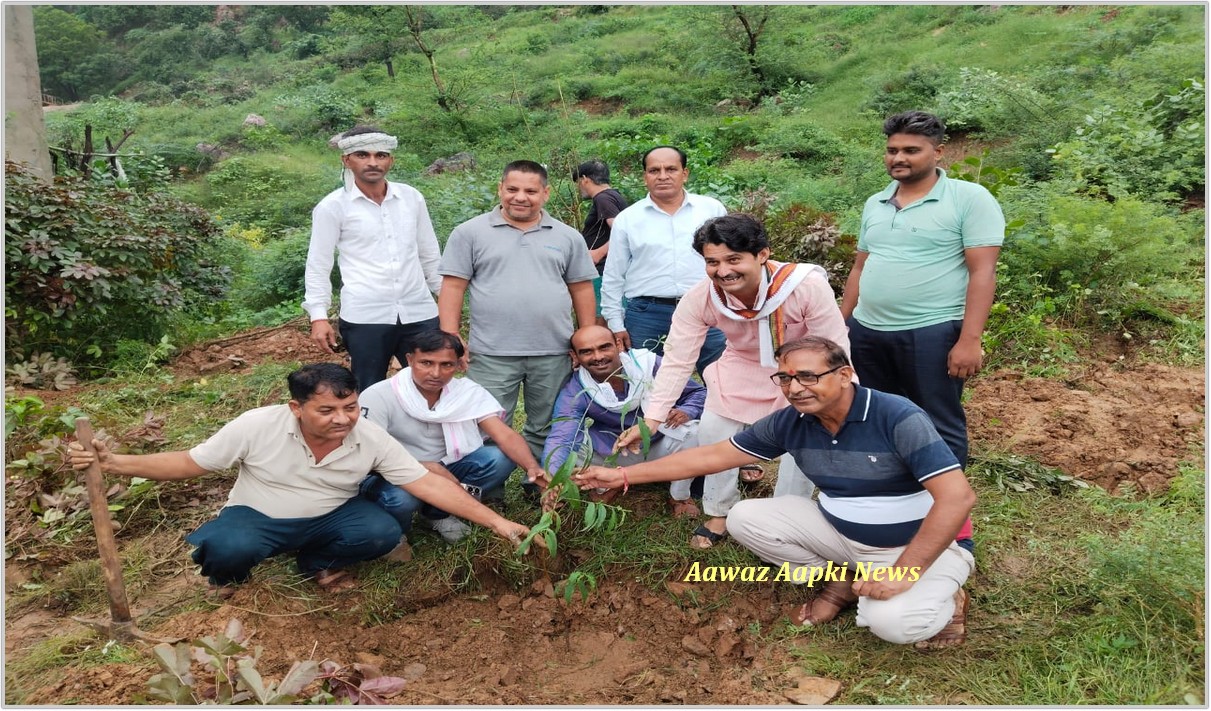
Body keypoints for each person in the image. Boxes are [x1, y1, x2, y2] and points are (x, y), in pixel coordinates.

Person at [575, 337, 975, 649]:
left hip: (920, 546)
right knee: (745, 518)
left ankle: (949, 597)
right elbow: (713, 456)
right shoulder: (793, 420)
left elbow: (957, 498)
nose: (795, 388)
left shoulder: (896, 416)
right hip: (840, 533)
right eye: (785, 378)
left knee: (892, 623)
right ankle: (843, 578)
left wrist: (904, 574)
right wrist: (622, 478)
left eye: (807, 376)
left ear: (844, 374)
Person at [66, 364, 530, 597]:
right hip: (260, 513)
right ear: (297, 408)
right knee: (227, 548)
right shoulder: (256, 425)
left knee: (383, 530)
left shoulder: (368, 435)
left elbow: (428, 485)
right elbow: (189, 463)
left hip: (331, 515)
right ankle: (229, 581)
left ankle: (315, 561)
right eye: (326, 411)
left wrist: (498, 524)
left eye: (349, 408)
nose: (342, 420)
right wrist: (116, 463)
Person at [613, 214, 850, 549]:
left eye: (733, 259)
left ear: (762, 254)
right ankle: (719, 512)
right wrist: (651, 421)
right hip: (741, 366)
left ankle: (786, 516)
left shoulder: (804, 286)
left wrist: (834, 398)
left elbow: (833, 346)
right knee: (713, 432)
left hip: (804, 374)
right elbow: (679, 359)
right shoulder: (703, 296)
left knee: (805, 441)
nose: (723, 271)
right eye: (712, 262)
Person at [841, 110, 1005, 469]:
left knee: (937, 419)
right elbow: (860, 266)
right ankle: (893, 490)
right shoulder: (876, 202)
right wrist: (841, 325)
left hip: (931, 330)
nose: (898, 158)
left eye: (911, 150)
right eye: (892, 149)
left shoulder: (968, 198)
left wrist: (970, 340)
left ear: (939, 152)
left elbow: (983, 272)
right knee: (875, 412)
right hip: (867, 331)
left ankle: (947, 507)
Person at [437, 160, 598, 470]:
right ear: (500, 189)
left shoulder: (566, 237)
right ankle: (486, 485)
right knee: (488, 422)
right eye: (512, 189)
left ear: (545, 193)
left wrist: (586, 338)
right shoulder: (469, 232)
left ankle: (541, 482)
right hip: (491, 351)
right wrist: (450, 336)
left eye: (530, 191)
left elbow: (581, 289)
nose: (520, 197)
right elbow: (454, 286)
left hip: (553, 350)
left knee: (548, 422)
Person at [358, 330, 548, 548]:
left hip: (448, 469)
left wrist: (532, 468)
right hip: (392, 474)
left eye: (446, 365)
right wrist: (423, 467)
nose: (436, 373)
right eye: (426, 363)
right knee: (402, 499)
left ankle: (437, 515)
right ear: (409, 360)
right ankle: (397, 533)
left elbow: (503, 434)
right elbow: (367, 458)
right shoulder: (379, 395)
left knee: (500, 459)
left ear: (458, 365)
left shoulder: (465, 392)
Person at [302, 125, 443, 391]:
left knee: (430, 385)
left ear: (391, 160)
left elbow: (430, 255)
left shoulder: (411, 198)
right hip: (365, 316)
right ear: (346, 160)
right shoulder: (333, 207)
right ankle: (370, 434)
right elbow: (319, 264)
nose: (372, 162)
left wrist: (446, 304)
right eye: (362, 155)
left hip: (419, 311)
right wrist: (318, 316)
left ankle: (428, 433)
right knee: (369, 389)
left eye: (381, 155)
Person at [543, 325, 706, 515]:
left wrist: (687, 410)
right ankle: (610, 483)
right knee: (574, 451)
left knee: (694, 432)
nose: (597, 357)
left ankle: (679, 496)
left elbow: (698, 392)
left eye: (604, 347)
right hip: (613, 452)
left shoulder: (648, 365)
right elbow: (562, 437)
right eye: (586, 352)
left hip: (660, 443)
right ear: (575, 356)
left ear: (618, 344)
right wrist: (553, 479)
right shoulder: (577, 389)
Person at [600, 145, 728, 376]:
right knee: (649, 385)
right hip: (647, 313)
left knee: (721, 380)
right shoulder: (628, 219)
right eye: (654, 170)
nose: (662, 176)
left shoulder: (711, 209)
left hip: (708, 308)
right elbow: (613, 275)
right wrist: (615, 323)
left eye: (671, 169)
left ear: (684, 173)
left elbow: (729, 260)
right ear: (645, 177)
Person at [571, 160, 629, 323]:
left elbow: (623, 233)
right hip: (609, 270)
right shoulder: (614, 196)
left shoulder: (603, 198)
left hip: (602, 271)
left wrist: (598, 253)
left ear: (584, 179)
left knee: (598, 323)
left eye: (578, 183)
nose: (579, 188)